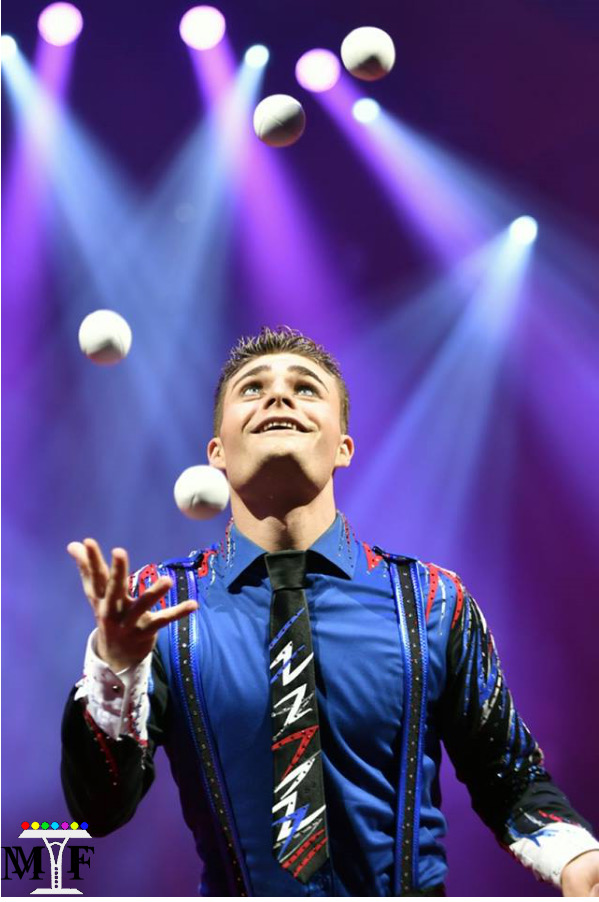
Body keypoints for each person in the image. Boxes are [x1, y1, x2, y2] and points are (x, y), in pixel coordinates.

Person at [62, 326, 599, 897]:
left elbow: (511, 777)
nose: (278, 395)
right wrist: (116, 666)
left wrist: (579, 861)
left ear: (343, 446)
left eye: (305, 388)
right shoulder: (161, 607)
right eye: (252, 388)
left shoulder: (434, 601)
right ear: (216, 451)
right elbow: (98, 810)